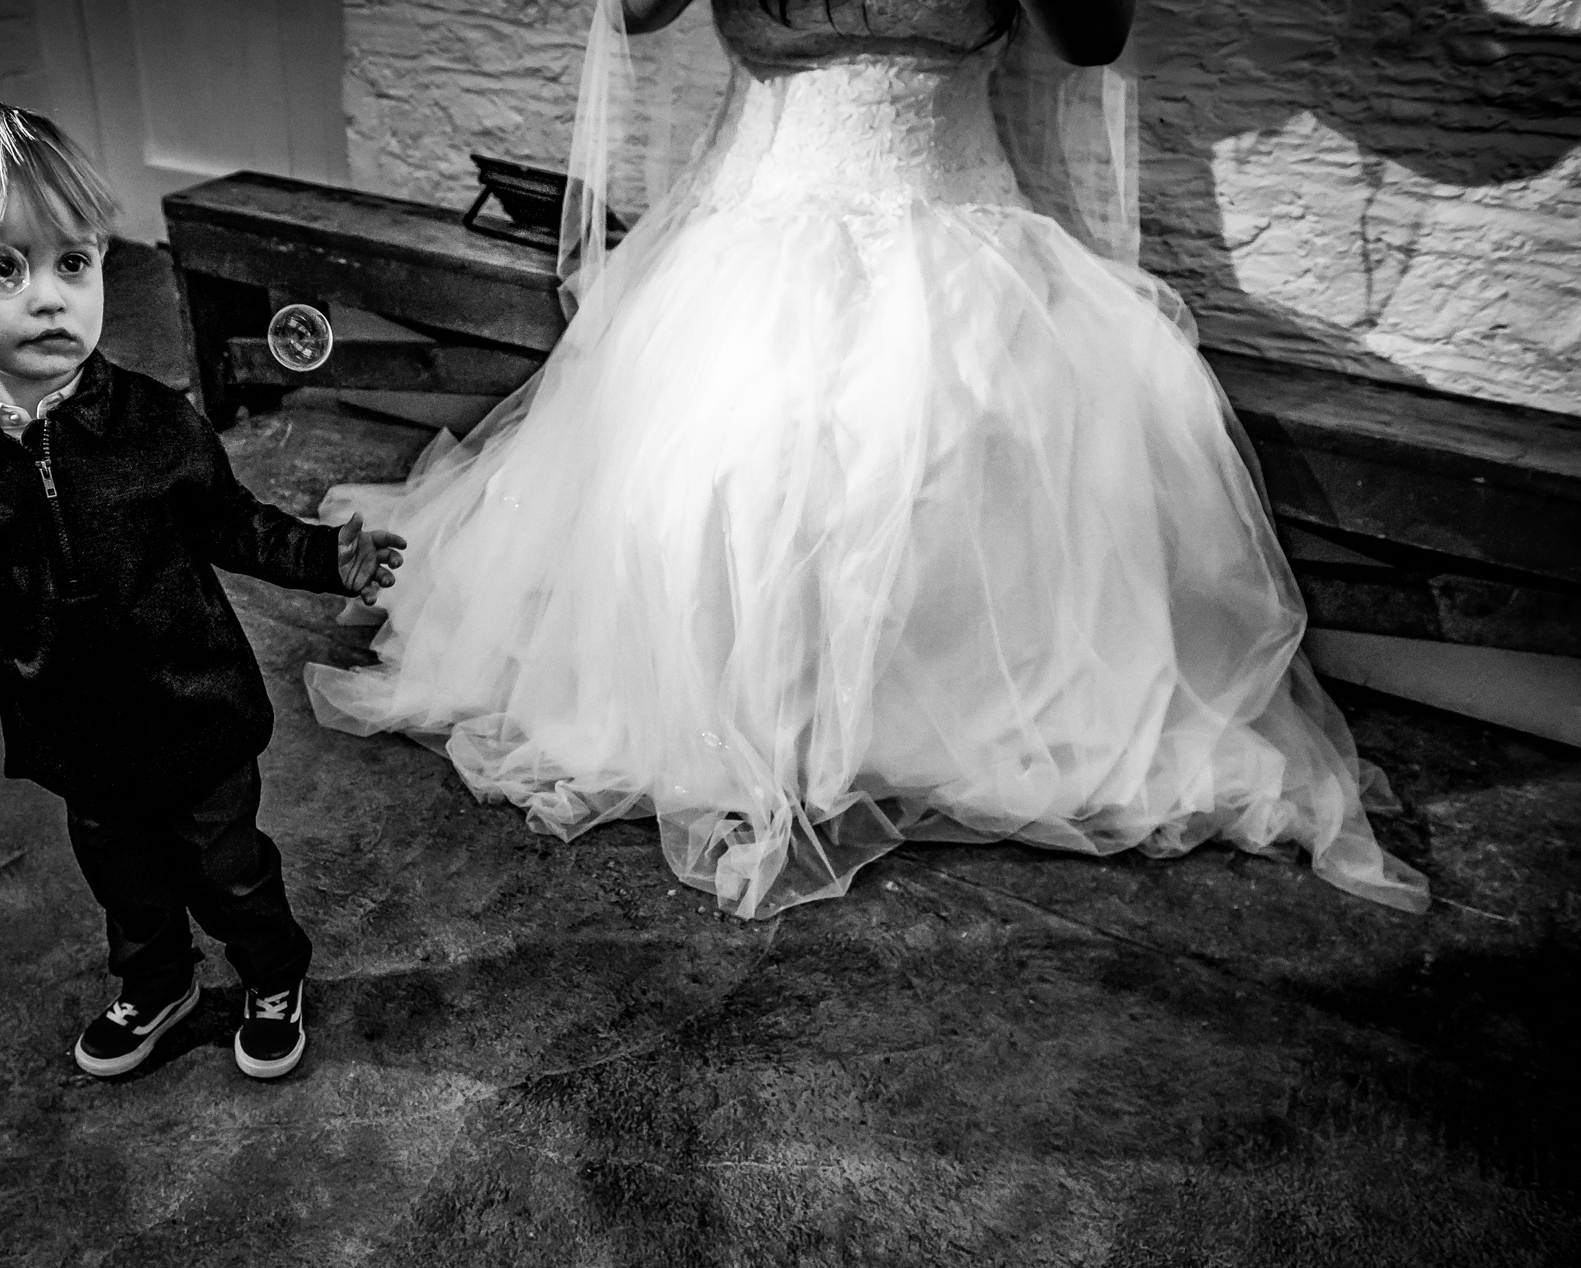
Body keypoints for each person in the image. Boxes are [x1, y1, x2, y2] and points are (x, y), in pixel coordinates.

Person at [304, 0, 1430, 919]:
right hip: (759, 229)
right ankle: (750, 708)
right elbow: (637, 12)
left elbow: (1089, 35)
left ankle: (909, 711)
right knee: (743, 450)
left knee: (961, 442)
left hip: (960, 225)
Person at [0, 103, 405, 1080]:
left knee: (229, 873)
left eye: (74, 261)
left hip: (196, 717)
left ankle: (271, 971)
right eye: (0, 265)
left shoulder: (156, 424)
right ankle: (157, 982)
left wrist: (326, 560)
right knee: (128, 884)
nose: (49, 296)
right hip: (78, 742)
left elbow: (230, 522)